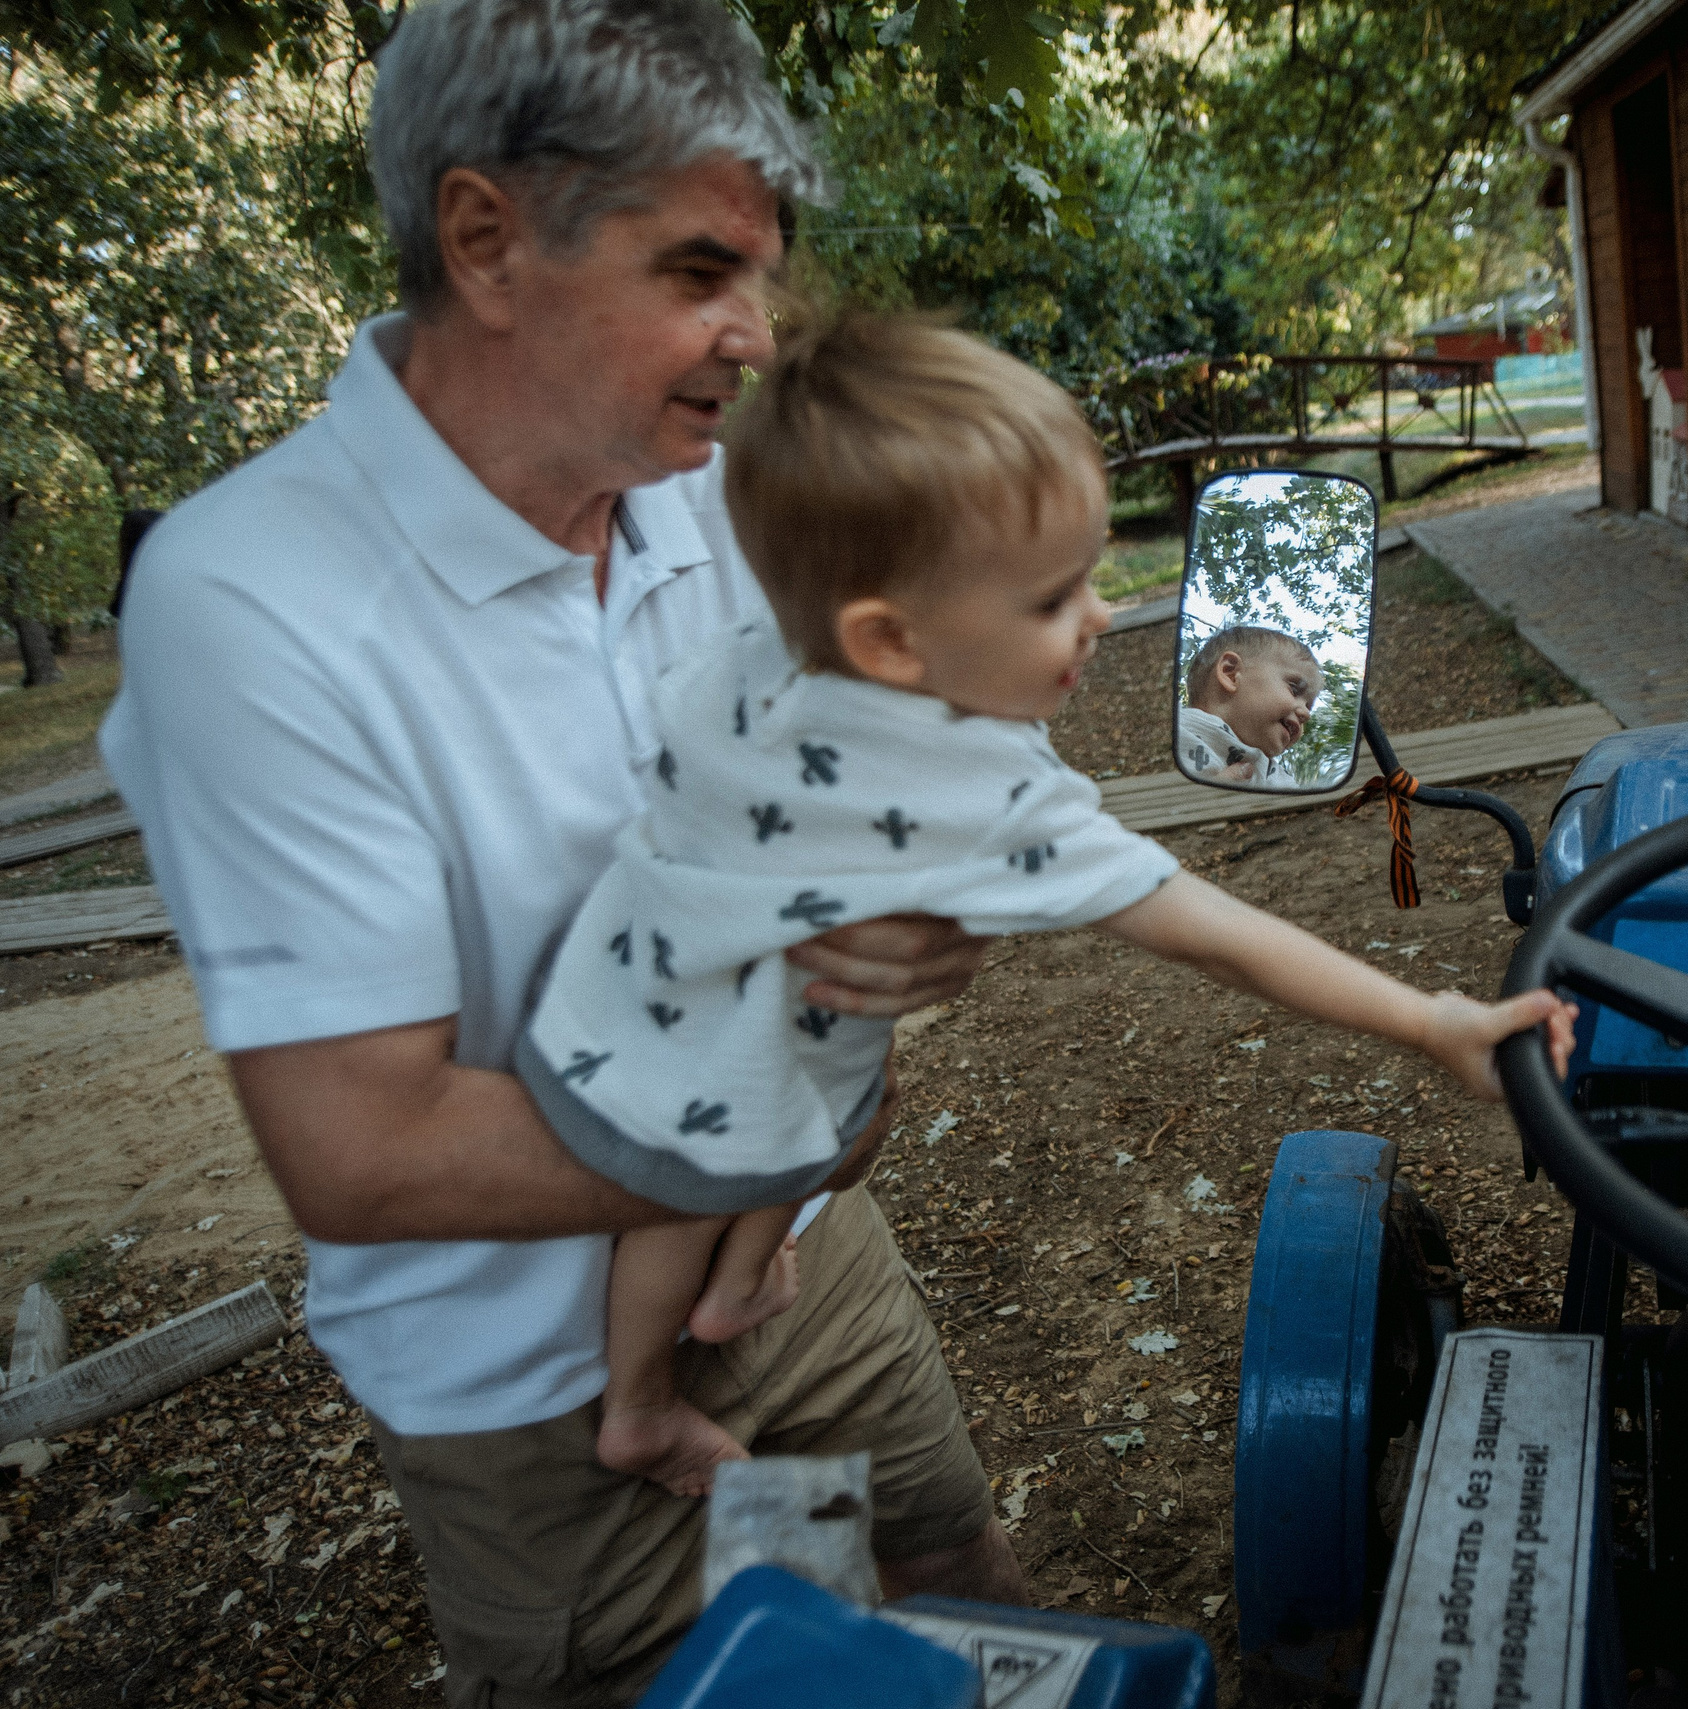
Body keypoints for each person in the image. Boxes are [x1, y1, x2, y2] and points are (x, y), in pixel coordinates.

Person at [98, 3, 1023, 1700]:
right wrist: (807, 1115)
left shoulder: (709, 498)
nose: (757, 335)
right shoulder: (251, 598)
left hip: (803, 1263)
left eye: (761, 275)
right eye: (699, 271)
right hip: (536, 1396)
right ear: (485, 240)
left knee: (960, 1593)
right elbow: (370, 1149)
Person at [529, 310, 1576, 1495]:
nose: (1102, 614)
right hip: (725, 1061)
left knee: (752, 1124)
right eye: (1051, 597)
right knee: (697, 1163)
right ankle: (639, 1404)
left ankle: (727, 1283)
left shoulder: (761, 648)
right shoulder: (978, 785)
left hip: (634, 980)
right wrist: (1430, 1020)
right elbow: (1212, 933)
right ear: (889, 639)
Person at [1179, 625, 1320, 784]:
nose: (1306, 714)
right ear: (1231, 674)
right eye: (1294, 690)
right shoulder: (1177, 732)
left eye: (1308, 706)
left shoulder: (1278, 778)